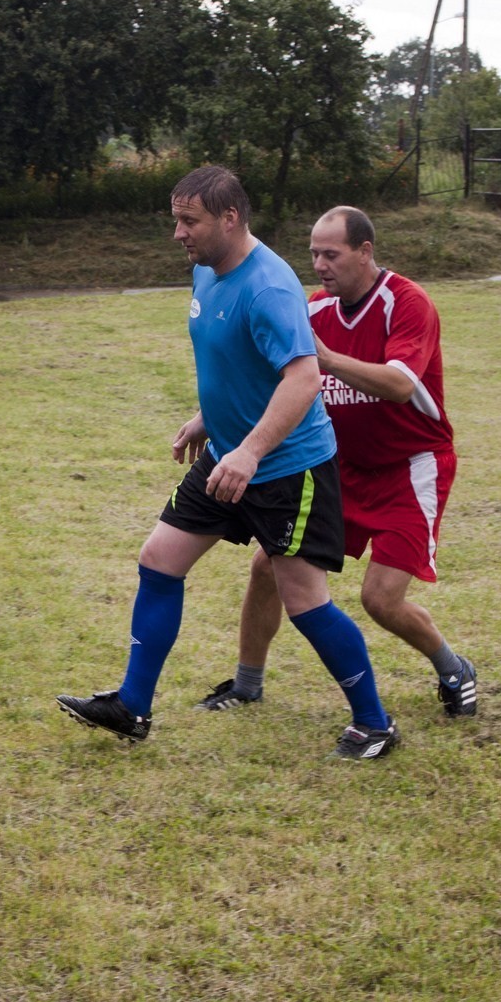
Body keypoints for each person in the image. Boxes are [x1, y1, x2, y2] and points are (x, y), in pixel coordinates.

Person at [57, 168, 399, 760]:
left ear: (230, 218)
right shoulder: (207, 272)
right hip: (228, 455)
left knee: (305, 603)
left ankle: (375, 722)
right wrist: (209, 418)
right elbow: (236, 362)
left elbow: (302, 378)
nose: (178, 233)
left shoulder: (268, 287)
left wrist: (250, 449)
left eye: (189, 221)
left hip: (287, 468)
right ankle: (132, 706)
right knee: (159, 560)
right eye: (177, 219)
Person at [196, 205, 476, 719]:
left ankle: (453, 666)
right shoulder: (314, 309)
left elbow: (398, 385)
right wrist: (206, 418)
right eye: (313, 254)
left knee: (381, 600)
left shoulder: (406, 302)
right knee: (267, 566)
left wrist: (326, 359)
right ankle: (247, 684)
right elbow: (271, 378)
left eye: (332, 254)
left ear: (364, 252)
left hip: (410, 468)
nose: (320, 265)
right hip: (340, 470)